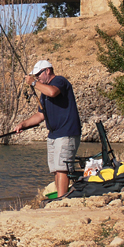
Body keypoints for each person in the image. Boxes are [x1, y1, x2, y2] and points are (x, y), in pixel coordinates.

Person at [14, 60, 81, 197]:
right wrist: (23, 124)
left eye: (38, 74)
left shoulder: (59, 81)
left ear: (47, 71)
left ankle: (62, 200)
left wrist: (33, 83)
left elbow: (53, 92)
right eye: (35, 76)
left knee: (62, 168)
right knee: (56, 169)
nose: (37, 77)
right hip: (53, 135)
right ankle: (59, 197)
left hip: (67, 132)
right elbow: (40, 115)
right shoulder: (43, 92)